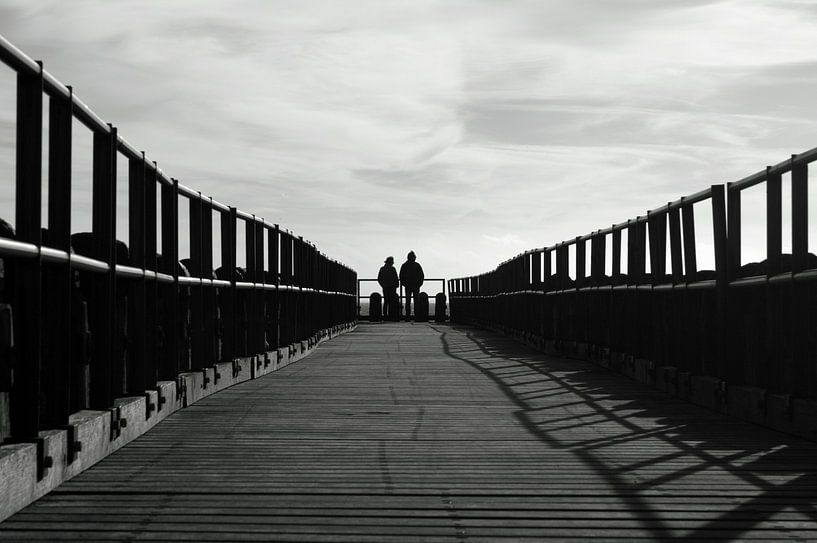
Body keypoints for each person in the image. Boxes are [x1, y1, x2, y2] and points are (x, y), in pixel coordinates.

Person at [399, 251, 424, 320]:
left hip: (408, 286)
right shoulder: (417, 265)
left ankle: (408, 316)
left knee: (408, 301)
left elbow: (401, 276)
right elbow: (421, 276)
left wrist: (404, 284)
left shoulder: (404, 265)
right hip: (415, 286)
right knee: (416, 301)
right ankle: (417, 316)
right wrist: (419, 284)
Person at [377, 256, 399, 321]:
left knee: (386, 301)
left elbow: (379, 278)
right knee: (391, 302)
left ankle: (385, 316)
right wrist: (396, 285)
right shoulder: (393, 269)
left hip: (385, 287)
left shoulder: (382, 269)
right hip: (392, 287)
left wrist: (383, 285)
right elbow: (396, 278)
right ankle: (391, 316)